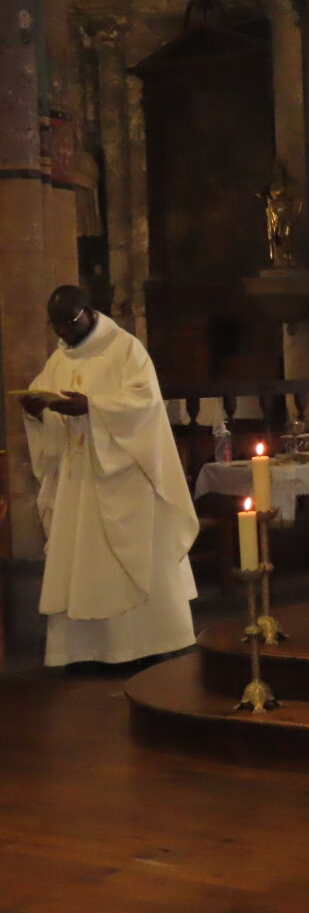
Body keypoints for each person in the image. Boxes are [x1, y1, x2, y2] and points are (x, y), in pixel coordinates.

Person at [20, 285, 198, 666]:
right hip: (78, 481)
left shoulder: (126, 349)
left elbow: (145, 404)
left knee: (130, 559)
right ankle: (84, 651)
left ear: (88, 311)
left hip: (124, 478)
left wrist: (92, 408)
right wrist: (37, 412)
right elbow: (48, 407)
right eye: (56, 326)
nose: (63, 333)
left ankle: (146, 644)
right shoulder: (59, 359)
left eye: (68, 323)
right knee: (80, 560)